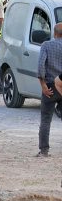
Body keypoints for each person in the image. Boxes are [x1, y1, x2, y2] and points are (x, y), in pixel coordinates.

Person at [37, 23, 62, 158]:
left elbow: (41, 65)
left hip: (50, 87)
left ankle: (44, 150)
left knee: (46, 119)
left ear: (54, 33)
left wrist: (43, 85)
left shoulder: (46, 45)